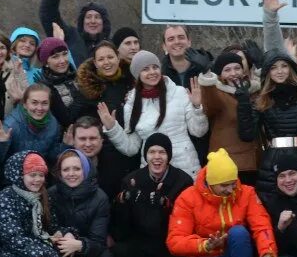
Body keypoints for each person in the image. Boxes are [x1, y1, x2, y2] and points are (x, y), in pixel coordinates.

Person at [166, 149, 277, 257]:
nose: (230, 189)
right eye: (224, 185)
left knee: (238, 233)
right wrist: (205, 245)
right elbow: (175, 241)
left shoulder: (246, 193)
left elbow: (262, 226)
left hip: (237, 254)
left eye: (233, 183)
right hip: (206, 256)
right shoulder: (188, 198)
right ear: (210, 183)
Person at [100, 50, 208, 178]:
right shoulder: (131, 103)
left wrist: (197, 107)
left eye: (155, 67)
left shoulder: (179, 93)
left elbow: (198, 131)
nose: (152, 72)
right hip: (153, 171)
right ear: (137, 74)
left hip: (186, 167)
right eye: (145, 69)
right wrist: (112, 128)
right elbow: (131, 148)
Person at [111, 133, 194, 257]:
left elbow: (187, 222)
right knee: (119, 252)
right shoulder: (131, 180)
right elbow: (121, 227)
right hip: (140, 242)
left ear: (169, 155)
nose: (157, 157)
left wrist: (165, 206)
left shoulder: (183, 181)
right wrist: (123, 203)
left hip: (168, 244)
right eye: (152, 152)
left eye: (162, 152)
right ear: (145, 156)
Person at [237, 49, 297, 196]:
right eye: (273, 67)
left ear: (291, 68)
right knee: (273, 204)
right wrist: (244, 103)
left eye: (284, 66)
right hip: (274, 159)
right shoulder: (262, 99)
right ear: (268, 72)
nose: (280, 71)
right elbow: (247, 135)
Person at [48, 149, 116, 257]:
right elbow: (48, 227)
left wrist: (79, 245)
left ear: (85, 170)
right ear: (59, 172)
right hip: (61, 249)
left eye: (77, 169)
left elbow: (98, 242)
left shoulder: (100, 198)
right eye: (66, 169)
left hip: (90, 253)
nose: (71, 173)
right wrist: (64, 235)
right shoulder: (51, 194)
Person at [196, 50, 261, 186]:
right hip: (228, 165)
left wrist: (261, 66)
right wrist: (207, 74)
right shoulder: (219, 94)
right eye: (227, 70)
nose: (233, 73)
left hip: (254, 163)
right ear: (220, 75)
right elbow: (209, 102)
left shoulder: (253, 92)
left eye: (237, 68)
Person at [0, 83, 65, 175]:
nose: (39, 108)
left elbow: (51, 156)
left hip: (38, 176)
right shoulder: (11, 124)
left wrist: (65, 146)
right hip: (12, 177)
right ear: (25, 104)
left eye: (44, 103)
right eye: (34, 102)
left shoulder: (53, 123)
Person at [40, 0, 112, 64]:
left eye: (97, 17)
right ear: (82, 21)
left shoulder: (111, 45)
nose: (92, 21)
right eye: (88, 17)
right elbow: (49, 17)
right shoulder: (70, 36)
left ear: (104, 22)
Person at [70, 116, 131, 199]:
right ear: (73, 141)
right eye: (82, 139)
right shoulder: (63, 168)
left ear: (102, 140)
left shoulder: (116, 167)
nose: (88, 144)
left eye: (93, 138)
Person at [159, 24, 212, 88]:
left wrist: (206, 71)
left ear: (189, 42)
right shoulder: (159, 73)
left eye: (181, 37)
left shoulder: (209, 65)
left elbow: (216, 95)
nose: (177, 42)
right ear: (164, 46)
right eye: (171, 39)